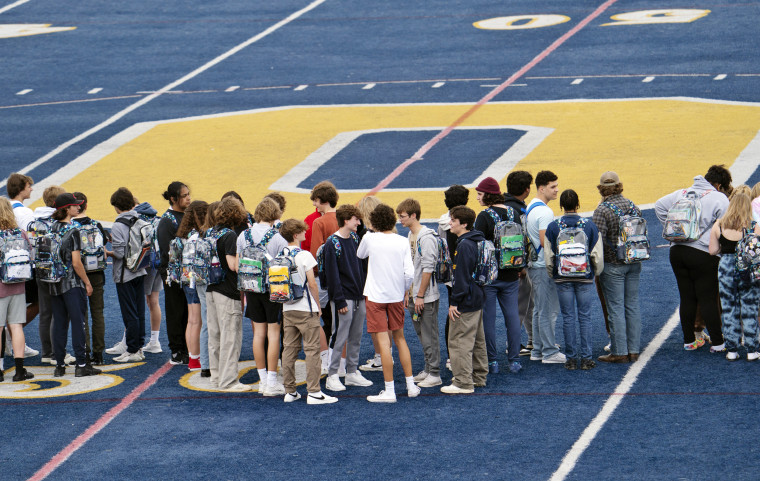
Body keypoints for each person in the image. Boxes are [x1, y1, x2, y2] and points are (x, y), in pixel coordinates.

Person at [655, 165, 731, 351]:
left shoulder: (681, 193)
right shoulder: (719, 198)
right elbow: (725, 225)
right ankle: (718, 343)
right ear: (719, 185)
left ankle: (689, 341)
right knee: (707, 298)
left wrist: (676, 230)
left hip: (677, 251)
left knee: (686, 297)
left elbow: (659, 205)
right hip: (703, 253)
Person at [357, 204, 419, 403]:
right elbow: (409, 273)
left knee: (384, 344)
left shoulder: (369, 238)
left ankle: (390, 390)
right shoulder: (401, 241)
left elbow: (360, 255)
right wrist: (402, 290)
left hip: (375, 297)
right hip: (395, 296)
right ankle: (410, 385)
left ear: (373, 222)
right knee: (400, 339)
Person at [279, 219, 338, 404]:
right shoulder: (304, 255)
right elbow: (312, 284)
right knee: (312, 350)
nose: (306, 233)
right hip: (305, 308)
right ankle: (314, 392)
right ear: (296, 235)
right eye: (303, 231)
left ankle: (290, 390)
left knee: (289, 350)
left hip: (287, 308)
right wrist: (318, 306)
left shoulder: (280, 255)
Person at [44, 193, 101, 378]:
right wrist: (87, 282)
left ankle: (59, 365)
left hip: (54, 283)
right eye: (75, 206)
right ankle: (82, 365)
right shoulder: (73, 230)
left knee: (59, 324)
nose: (79, 207)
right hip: (72, 283)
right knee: (78, 323)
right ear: (66, 209)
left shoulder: (51, 227)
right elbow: (76, 263)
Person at [545, 189, 603, 370]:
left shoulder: (554, 227)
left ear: (561, 206)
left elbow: (549, 256)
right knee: (585, 317)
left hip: (562, 278)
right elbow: (597, 255)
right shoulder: (589, 225)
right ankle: (586, 358)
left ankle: (570, 359)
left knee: (568, 317)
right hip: (584, 277)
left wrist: (553, 273)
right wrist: (594, 273)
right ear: (578, 204)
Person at [592, 172, 646, 363]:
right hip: (634, 261)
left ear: (601, 188)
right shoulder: (633, 206)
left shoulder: (602, 210)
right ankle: (633, 350)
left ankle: (619, 352)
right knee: (632, 305)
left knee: (615, 308)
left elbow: (597, 240)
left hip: (612, 265)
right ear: (619, 186)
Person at [237, 197, 287, 395]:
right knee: (274, 335)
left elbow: (239, 262)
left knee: (258, 334)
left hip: (251, 289)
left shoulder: (243, 235)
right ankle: (272, 381)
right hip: (272, 291)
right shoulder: (276, 237)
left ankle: (263, 380)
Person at [473, 177, 522, 374]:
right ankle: (514, 360)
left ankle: (492, 361)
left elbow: (478, 245)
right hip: (511, 272)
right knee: (512, 318)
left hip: (490, 277)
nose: (477, 198)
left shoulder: (484, 216)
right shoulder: (514, 213)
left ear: (488, 194)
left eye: (479, 194)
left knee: (489, 320)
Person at [323, 205, 373, 392]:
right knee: (339, 336)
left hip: (358, 295)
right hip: (344, 298)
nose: (359, 223)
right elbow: (332, 275)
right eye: (356, 219)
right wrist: (340, 300)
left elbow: (361, 267)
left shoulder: (354, 238)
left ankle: (352, 372)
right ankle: (332, 374)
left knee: (356, 335)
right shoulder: (332, 243)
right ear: (346, 220)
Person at [397, 198, 443, 387]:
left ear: (414, 215)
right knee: (421, 334)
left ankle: (435, 373)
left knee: (429, 334)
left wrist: (421, 295)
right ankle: (428, 368)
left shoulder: (426, 238)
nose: (400, 220)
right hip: (414, 295)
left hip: (425, 297)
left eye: (403, 216)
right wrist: (409, 293)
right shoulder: (410, 235)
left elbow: (428, 268)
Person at [708, 193, 760, 360]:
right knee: (750, 308)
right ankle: (752, 350)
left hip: (726, 266)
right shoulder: (754, 226)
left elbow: (712, 250)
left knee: (729, 308)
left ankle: (732, 350)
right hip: (748, 268)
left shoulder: (719, 225)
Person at [443, 205, 488, 394]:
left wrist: (454, 301)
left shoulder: (464, 245)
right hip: (477, 296)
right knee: (477, 340)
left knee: (459, 340)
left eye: (453, 220)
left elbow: (461, 277)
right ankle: (478, 377)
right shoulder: (477, 240)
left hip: (466, 299)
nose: (450, 224)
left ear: (464, 223)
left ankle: (463, 382)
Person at [207, 197, 250, 392]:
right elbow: (233, 265)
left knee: (215, 336)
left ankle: (216, 377)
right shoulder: (230, 235)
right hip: (228, 291)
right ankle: (229, 381)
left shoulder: (210, 232)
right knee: (230, 336)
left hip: (211, 288)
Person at [525, 171, 565, 364]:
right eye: (553, 187)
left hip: (534, 264)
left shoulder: (531, 206)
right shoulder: (545, 212)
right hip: (543, 266)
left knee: (539, 309)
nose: (557, 190)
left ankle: (538, 350)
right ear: (542, 188)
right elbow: (545, 241)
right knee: (548, 310)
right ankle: (549, 352)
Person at [109, 188, 148, 363]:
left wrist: (107, 252)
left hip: (125, 273)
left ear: (117, 207)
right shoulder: (139, 220)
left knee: (129, 313)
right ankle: (139, 347)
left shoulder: (118, 225)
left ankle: (132, 349)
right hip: (140, 269)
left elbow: (119, 253)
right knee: (139, 310)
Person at [72, 192, 110, 365]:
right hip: (97, 274)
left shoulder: (70, 227)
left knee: (82, 316)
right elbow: (103, 249)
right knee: (98, 314)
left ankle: (85, 353)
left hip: (78, 274)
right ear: (86, 205)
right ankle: (99, 354)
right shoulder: (97, 225)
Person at [0, 197, 34, 382]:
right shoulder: (20, 233)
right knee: (16, 326)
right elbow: (30, 254)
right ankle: (20, 371)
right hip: (18, 285)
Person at [157, 181, 191, 365]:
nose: (188, 198)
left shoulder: (187, 216)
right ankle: (177, 350)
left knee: (189, 313)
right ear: (173, 198)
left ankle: (187, 346)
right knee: (176, 312)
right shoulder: (167, 221)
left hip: (188, 275)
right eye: (184, 195)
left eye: (188, 194)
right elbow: (166, 252)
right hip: (173, 276)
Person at [356, 195, 391, 373]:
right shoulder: (391, 233)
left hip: (373, 284)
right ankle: (387, 353)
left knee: (376, 324)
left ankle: (380, 357)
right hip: (391, 283)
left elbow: (360, 258)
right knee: (390, 324)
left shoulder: (365, 235)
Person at [437, 185, 469, 372]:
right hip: (465, 273)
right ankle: (464, 353)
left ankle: (451, 355)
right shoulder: (465, 221)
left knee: (452, 313)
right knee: (468, 314)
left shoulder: (442, 222)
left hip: (450, 275)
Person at [7, 173, 39, 355]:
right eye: (29, 186)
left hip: (5, 265)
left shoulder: (4, 207)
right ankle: (13, 338)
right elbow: (32, 241)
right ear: (21, 188)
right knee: (39, 302)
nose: (31, 189)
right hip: (23, 266)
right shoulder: (25, 213)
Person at [308, 181, 339, 367]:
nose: (314, 205)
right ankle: (341, 362)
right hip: (343, 278)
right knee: (340, 321)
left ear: (323, 200)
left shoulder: (319, 222)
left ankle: (324, 356)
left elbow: (315, 255)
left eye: (316, 201)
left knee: (314, 316)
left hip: (324, 278)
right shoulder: (343, 218)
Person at [175, 201, 209, 371]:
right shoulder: (200, 235)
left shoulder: (183, 234)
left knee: (192, 320)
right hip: (198, 279)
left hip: (186, 278)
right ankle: (197, 359)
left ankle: (193, 358)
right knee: (198, 321)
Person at [504, 171, 534, 356]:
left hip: (509, 265)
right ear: (527, 189)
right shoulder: (516, 210)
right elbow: (516, 240)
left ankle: (531, 340)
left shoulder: (507, 205)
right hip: (516, 266)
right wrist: (520, 266)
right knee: (520, 306)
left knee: (526, 304)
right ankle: (513, 345)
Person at [135, 199, 164, 355]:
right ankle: (154, 341)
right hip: (159, 262)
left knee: (135, 301)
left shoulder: (138, 221)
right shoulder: (158, 220)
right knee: (154, 301)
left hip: (145, 264)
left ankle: (131, 341)